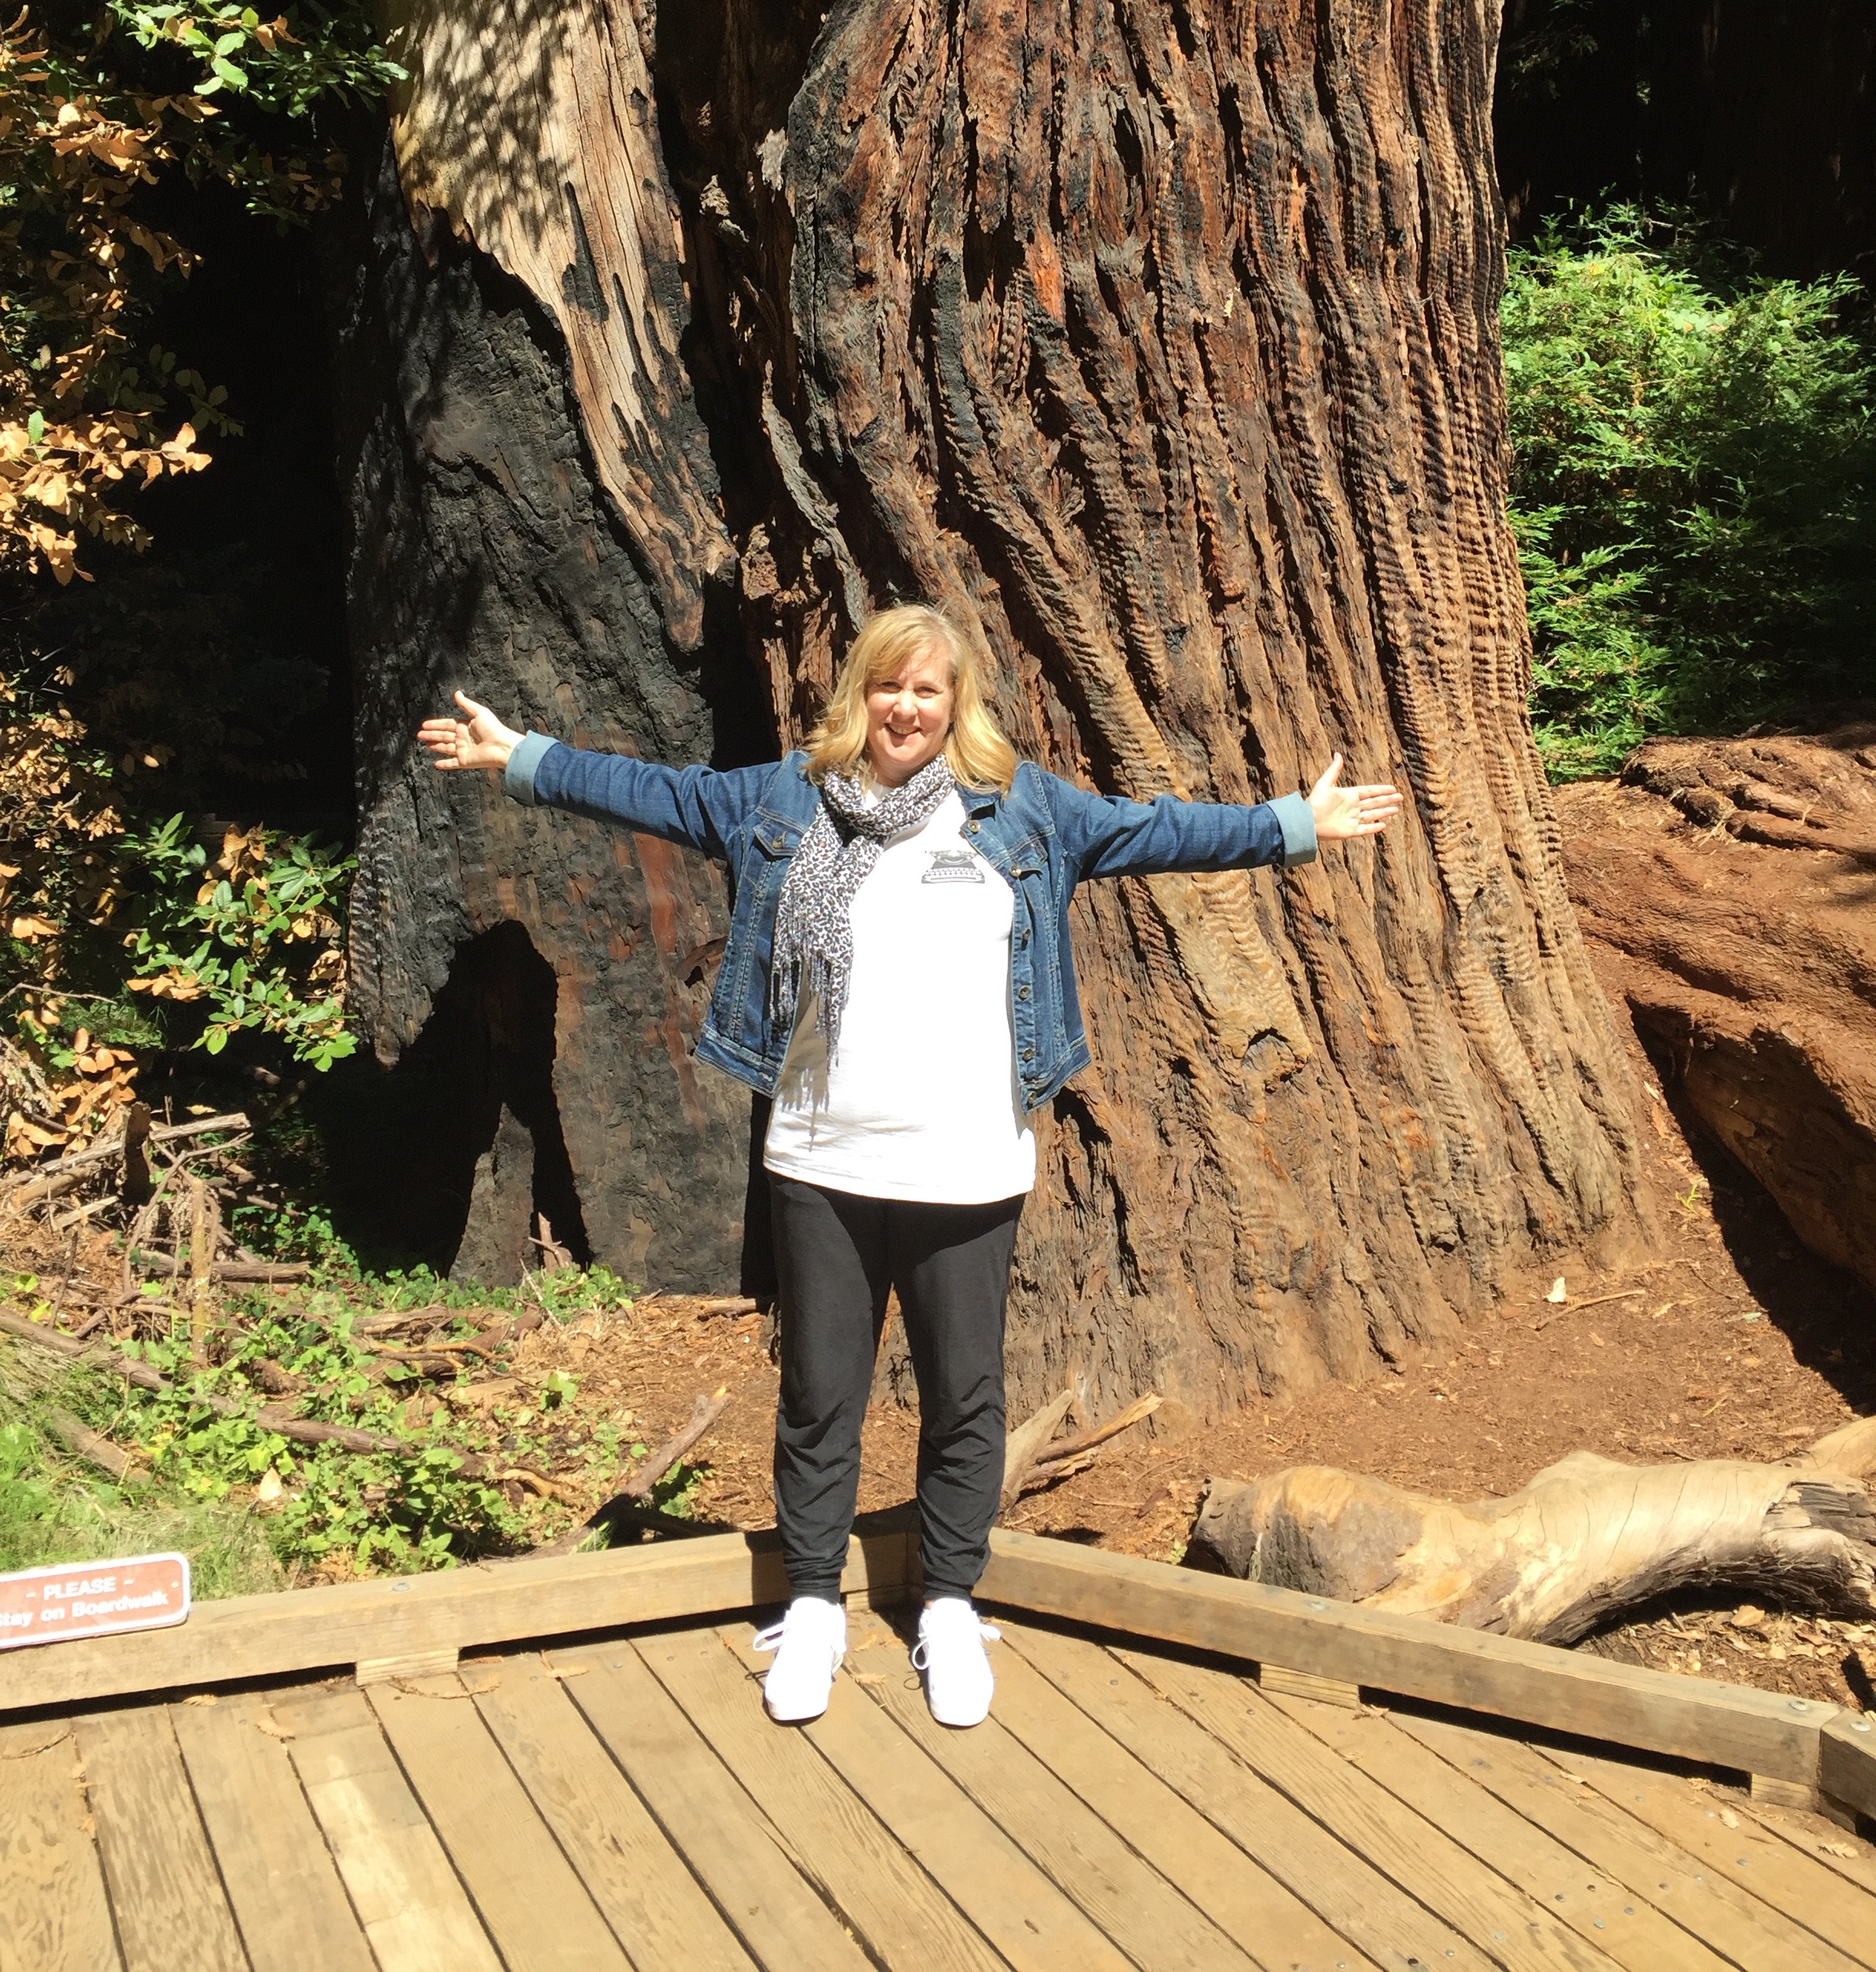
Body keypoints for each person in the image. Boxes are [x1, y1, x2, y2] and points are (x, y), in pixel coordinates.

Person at [418, 604, 1402, 1729]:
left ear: (957, 702)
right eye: (889, 687)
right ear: (861, 695)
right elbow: (661, 793)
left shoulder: (1024, 809)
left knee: (963, 1397)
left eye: (928, 691)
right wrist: (521, 759)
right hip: (822, 1156)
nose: (906, 708)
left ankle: (945, 1602)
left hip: (969, 1166)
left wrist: (1291, 823)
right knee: (819, 1396)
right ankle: (813, 1610)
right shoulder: (787, 799)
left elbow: (1151, 831)